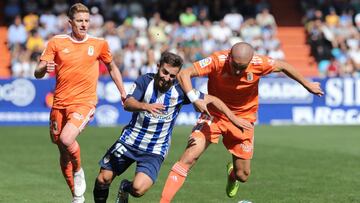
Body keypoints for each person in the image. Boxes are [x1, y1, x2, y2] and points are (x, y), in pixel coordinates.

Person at [160, 42, 324, 202]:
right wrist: (194, 99)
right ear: (229, 56)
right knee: (189, 156)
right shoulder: (218, 60)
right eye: (235, 65)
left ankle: (233, 174)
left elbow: (284, 66)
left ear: (250, 61)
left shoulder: (260, 63)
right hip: (214, 114)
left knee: (243, 175)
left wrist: (307, 84)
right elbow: (184, 73)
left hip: (243, 119)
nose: (238, 71)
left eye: (242, 67)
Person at [92, 51, 253, 203]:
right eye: (164, 72)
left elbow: (214, 100)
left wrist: (233, 118)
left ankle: (125, 188)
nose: (167, 78)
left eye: (172, 75)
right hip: (129, 141)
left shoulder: (180, 91)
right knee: (103, 178)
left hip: (155, 150)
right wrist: (145, 106)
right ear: (158, 67)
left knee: (138, 189)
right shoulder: (144, 81)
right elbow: (128, 103)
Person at [34, 3, 126, 203]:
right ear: (70, 22)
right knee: (62, 149)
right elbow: (38, 72)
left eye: (86, 21)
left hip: (84, 102)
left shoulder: (99, 43)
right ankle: (76, 196)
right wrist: (44, 68)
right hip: (59, 104)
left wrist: (123, 92)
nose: (84, 24)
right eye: (79, 21)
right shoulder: (56, 42)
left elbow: (112, 67)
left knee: (67, 139)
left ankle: (79, 169)